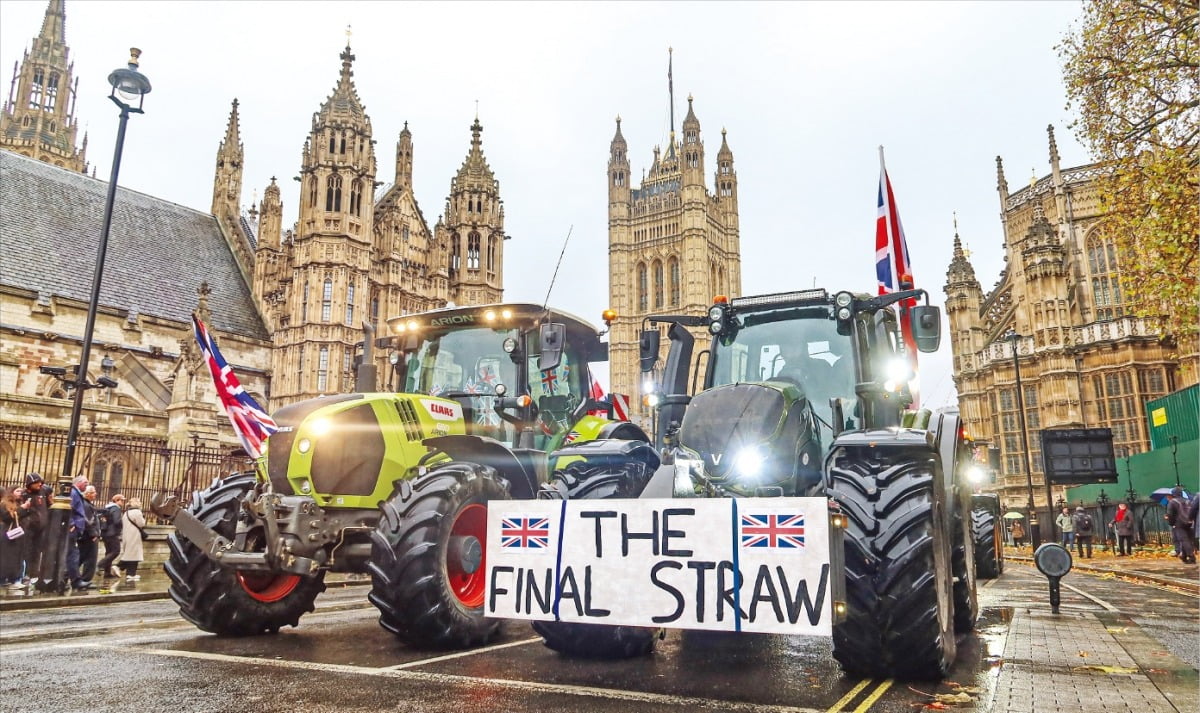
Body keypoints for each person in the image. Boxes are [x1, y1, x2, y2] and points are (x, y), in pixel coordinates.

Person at [18, 473, 50, 584]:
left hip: (41, 528)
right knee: (27, 551)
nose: (40, 484)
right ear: (30, 484)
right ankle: (25, 574)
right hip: (28, 528)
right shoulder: (24, 494)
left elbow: (49, 505)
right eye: (37, 482)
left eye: (41, 482)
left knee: (37, 551)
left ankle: (34, 574)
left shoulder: (43, 492)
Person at [65, 475, 93, 590]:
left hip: (75, 529)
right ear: (79, 483)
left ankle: (69, 580)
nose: (87, 485)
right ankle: (75, 581)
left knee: (71, 555)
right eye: (85, 483)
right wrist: (71, 524)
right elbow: (68, 508)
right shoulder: (73, 493)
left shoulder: (76, 493)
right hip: (72, 529)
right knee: (73, 555)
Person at [0, 487, 26, 587]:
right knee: (6, 557)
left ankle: (15, 578)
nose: (20, 493)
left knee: (17, 557)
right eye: (17, 491)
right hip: (7, 533)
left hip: (17, 534)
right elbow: (6, 517)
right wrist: (21, 509)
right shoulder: (4, 504)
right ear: (11, 492)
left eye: (21, 491)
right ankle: (4, 579)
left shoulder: (20, 503)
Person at [97, 494, 125, 580]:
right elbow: (117, 521)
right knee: (116, 551)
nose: (123, 502)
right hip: (112, 533)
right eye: (122, 500)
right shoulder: (116, 509)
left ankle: (107, 572)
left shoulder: (108, 507)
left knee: (109, 552)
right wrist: (121, 524)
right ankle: (99, 565)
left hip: (105, 533)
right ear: (117, 500)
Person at [118, 497, 146, 581]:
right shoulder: (137, 512)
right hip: (134, 535)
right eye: (140, 502)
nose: (141, 503)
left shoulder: (126, 513)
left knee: (132, 555)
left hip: (126, 535)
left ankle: (130, 574)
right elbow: (141, 524)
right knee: (133, 555)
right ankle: (119, 567)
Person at [1165, 487, 1195, 564]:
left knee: (1184, 540)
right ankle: (1184, 556)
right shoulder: (1188, 501)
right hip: (1189, 522)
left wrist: (1171, 523)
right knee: (1187, 539)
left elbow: (1170, 515)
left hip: (1179, 524)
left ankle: (1191, 557)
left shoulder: (1172, 502)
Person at [78, 485, 101, 584]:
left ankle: (68, 577)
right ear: (87, 494)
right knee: (90, 559)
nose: (95, 494)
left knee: (81, 558)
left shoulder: (86, 504)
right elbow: (88, 521)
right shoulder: (86, 505)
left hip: (86, 535)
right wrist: (93, 534)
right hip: (89, 536)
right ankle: (86, 579)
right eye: (93, 492)